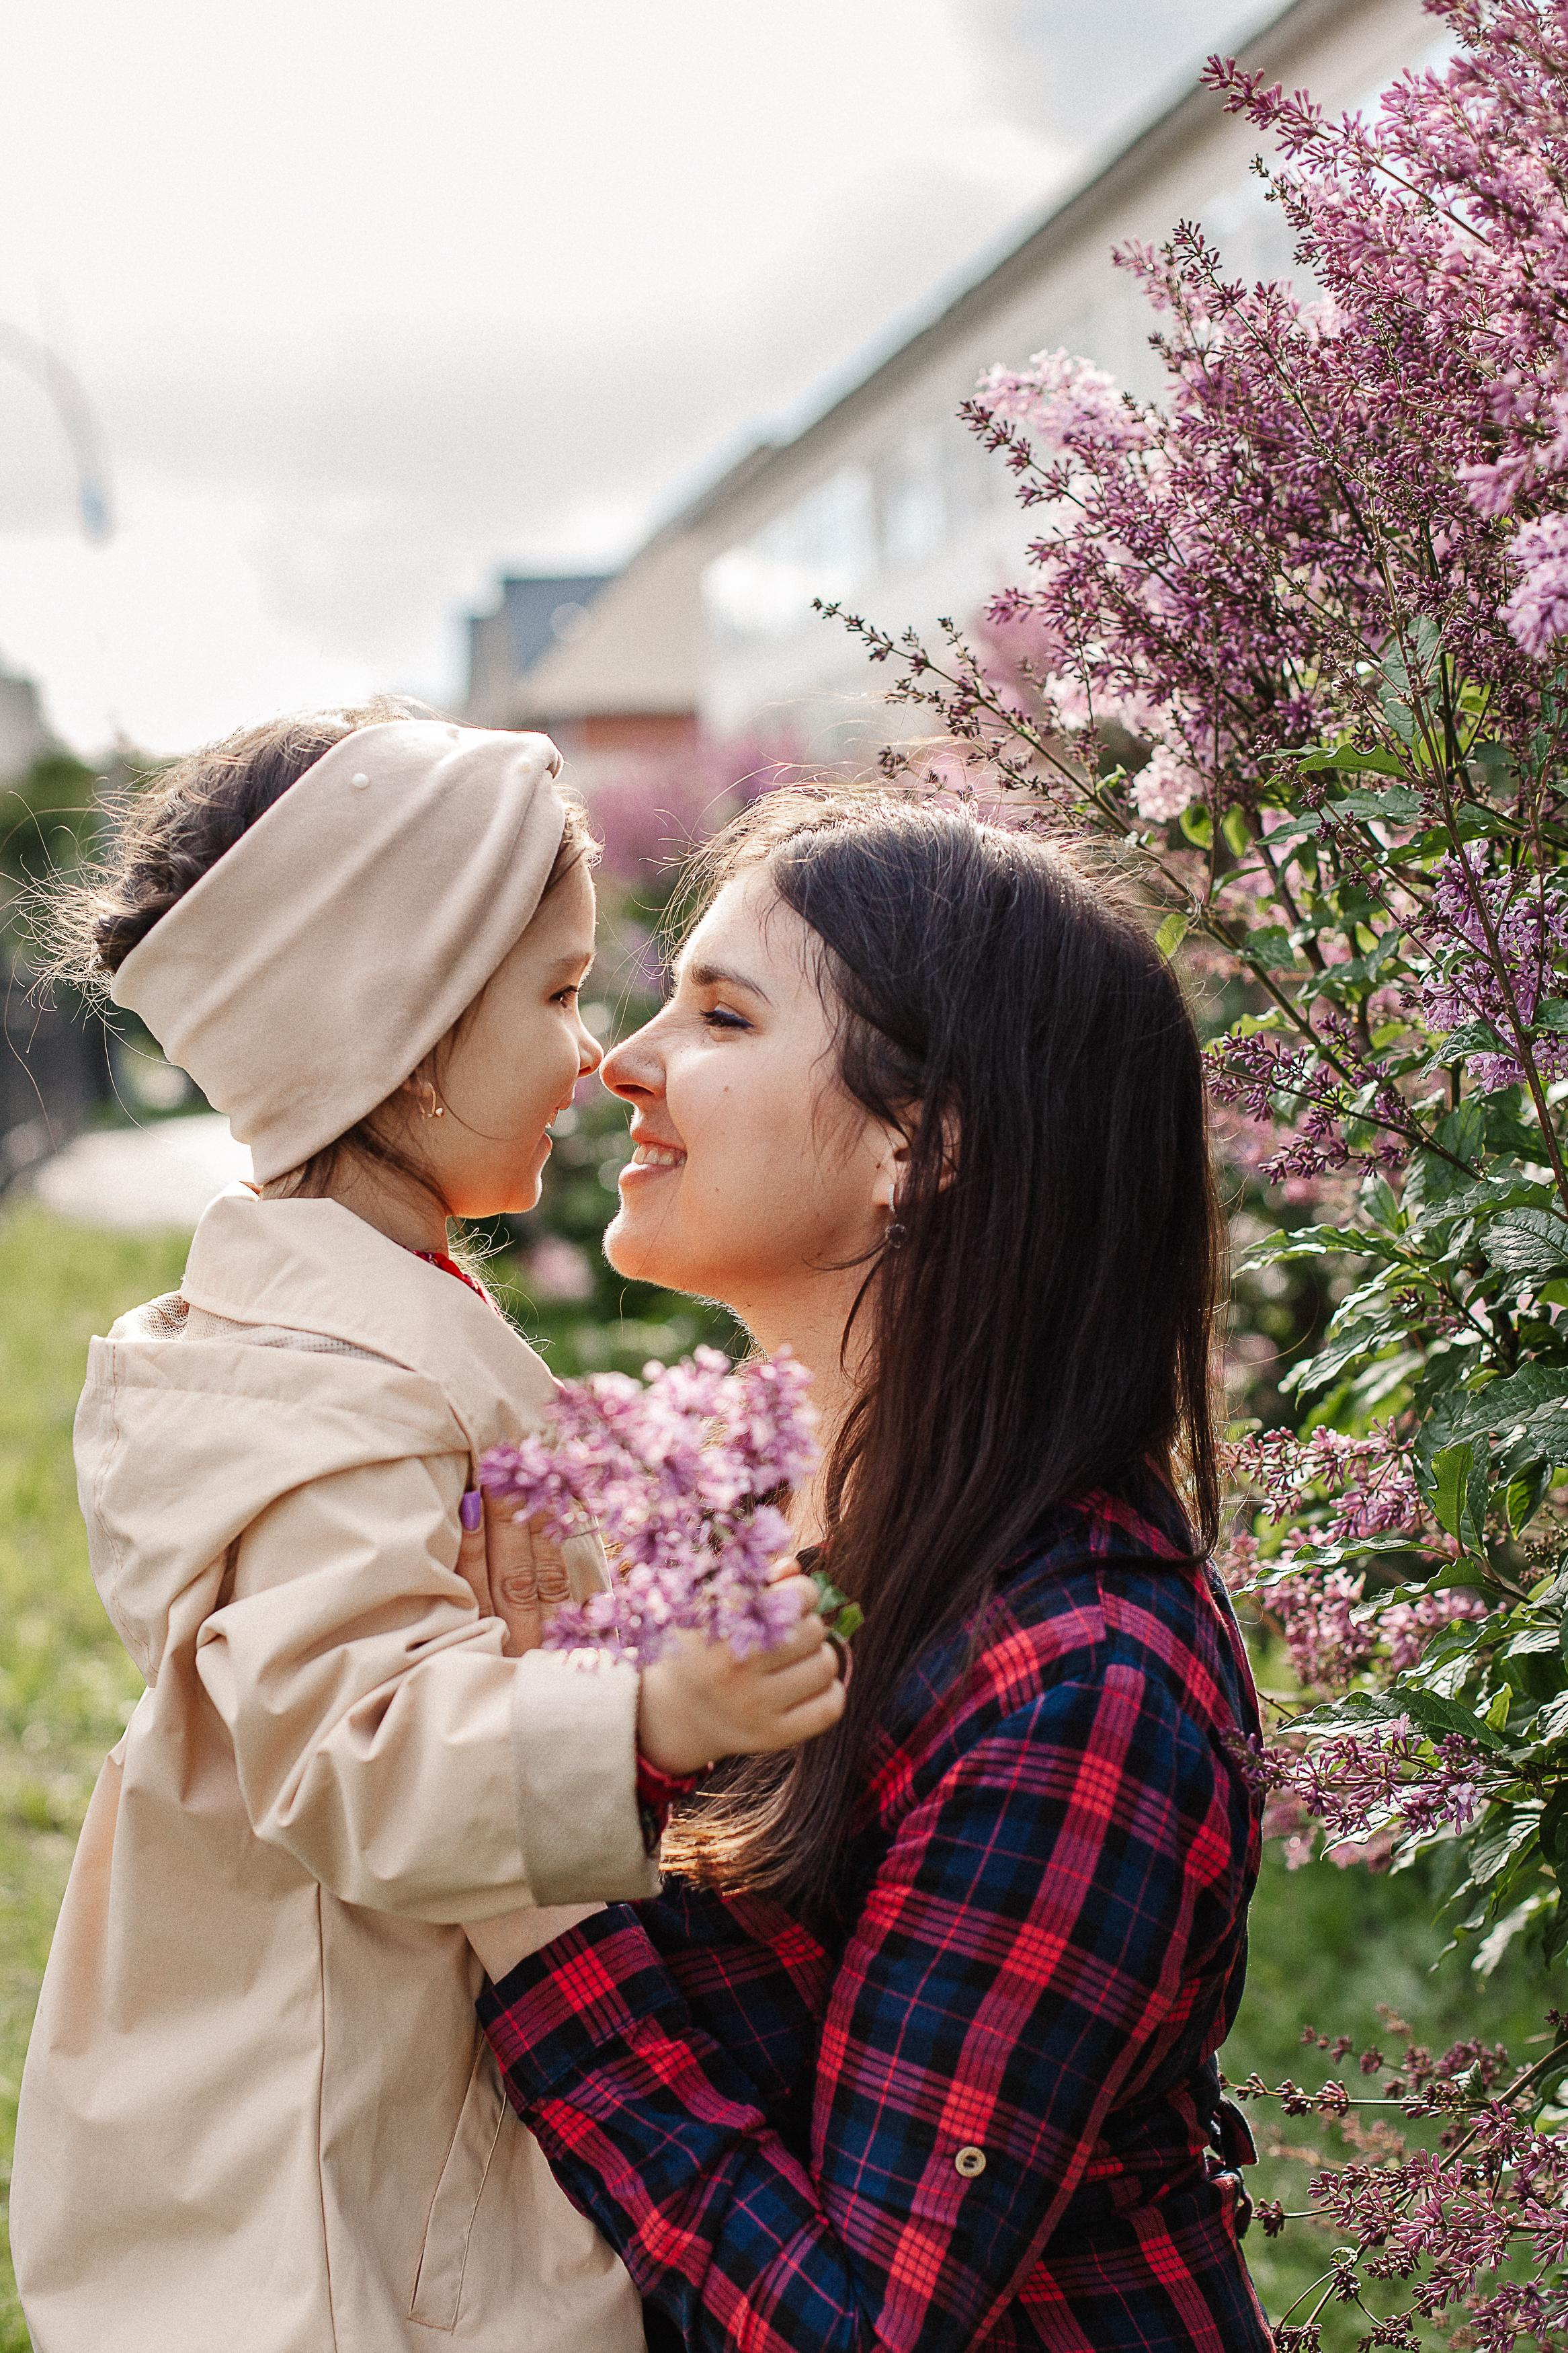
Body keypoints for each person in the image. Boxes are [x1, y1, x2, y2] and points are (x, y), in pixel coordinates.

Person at [11, 707, 842, 2353]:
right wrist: (648, 1712)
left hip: (421, 2095)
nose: (595, 1053)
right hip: (334, 2173)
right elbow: (354, 1746)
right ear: (398, 1030)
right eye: (555, 994)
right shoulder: (314, 1384)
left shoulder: (369, 1317)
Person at [468, 790, 1274, 2353]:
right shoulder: (730, 1509)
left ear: (925, 1141)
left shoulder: (1080, 1685)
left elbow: (862, 2326)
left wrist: (523, 1882)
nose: (621, 1060)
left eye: (721, 1015)